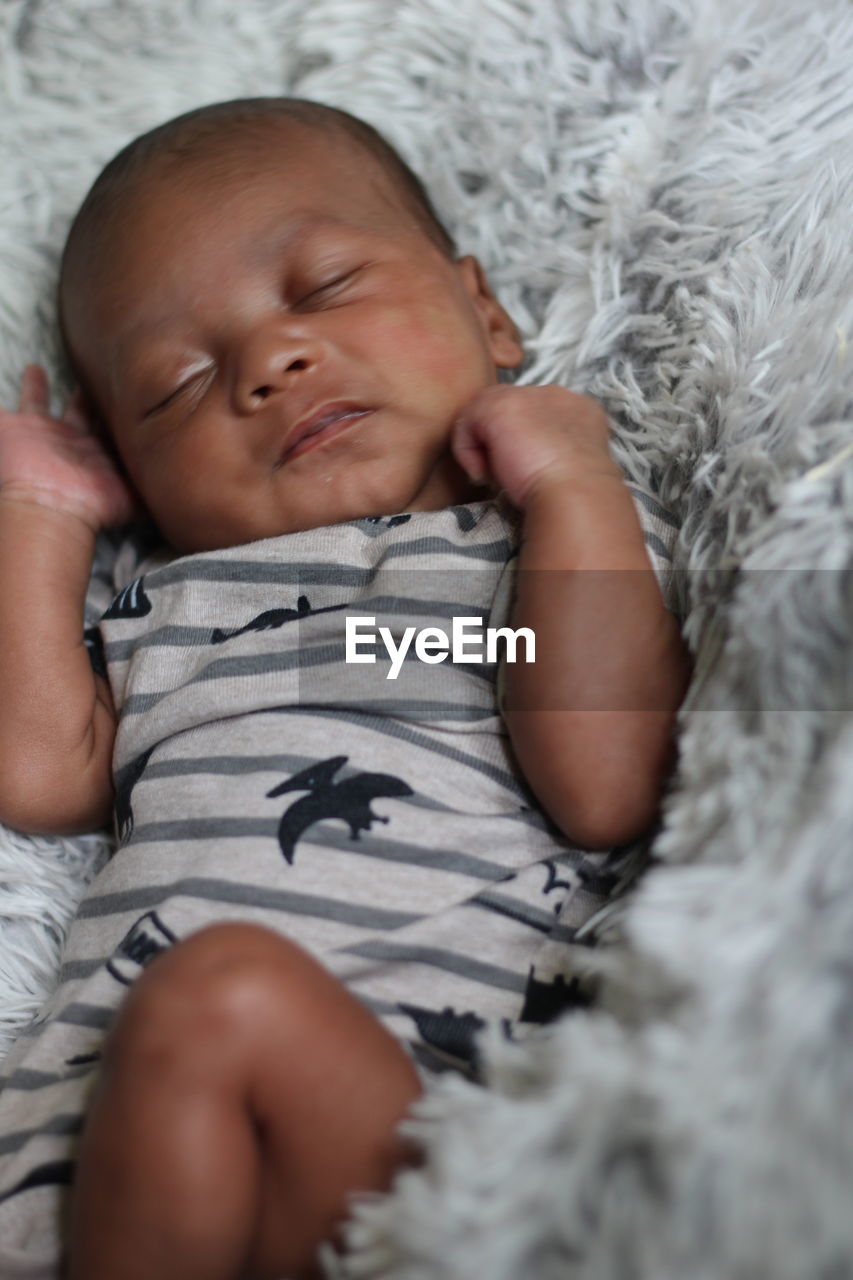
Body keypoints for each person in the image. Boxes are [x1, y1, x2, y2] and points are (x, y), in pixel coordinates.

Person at [0, 98, 691, 1280]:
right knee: (213, 1006)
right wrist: (41, 515)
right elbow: (39, 768)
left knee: (222, 998)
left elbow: (609, 783)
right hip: (107, 1156)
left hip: (409, 1131)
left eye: (322, 288)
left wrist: (576, 485)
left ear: (485, 311)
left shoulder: (524, 562)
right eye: (176, 386)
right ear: (138, 472)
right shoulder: (177, 601)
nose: (269, 362)